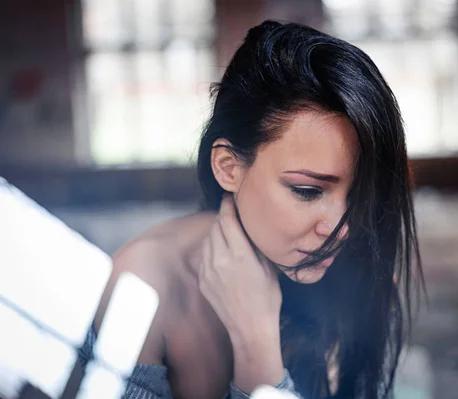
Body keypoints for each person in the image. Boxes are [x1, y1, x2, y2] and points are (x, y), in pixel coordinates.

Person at [78, 20, 423, 399]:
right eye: (308, 191)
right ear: (228, 167)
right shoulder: (141, 288)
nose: (342, 228)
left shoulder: (362, 272)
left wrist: (255, 345)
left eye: (360, 195)